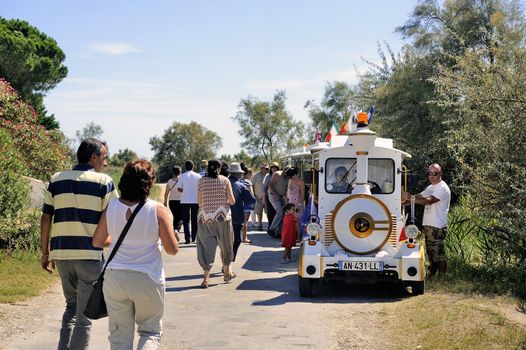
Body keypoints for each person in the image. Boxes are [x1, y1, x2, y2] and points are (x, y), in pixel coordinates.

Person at [40, 138, 119, 350]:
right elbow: (114, 217)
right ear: (93, 157)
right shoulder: (104, 182)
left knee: (71, 308)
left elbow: (46, 217)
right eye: (103, 157)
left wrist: (45, 252)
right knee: (84, 317)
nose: (105, 161)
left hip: (62, 255)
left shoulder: (56, 179)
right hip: (90, 257)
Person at [92, 160, 179, 349]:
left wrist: (118, 241)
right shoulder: (158, 210)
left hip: (115, 278)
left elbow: (98, 241)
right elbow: (172, 249)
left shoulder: (112, 206)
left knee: (119, 337)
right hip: (147, 277)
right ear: (149, 183)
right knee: (150, 332)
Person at [403, 163, 451, 277]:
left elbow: (429, 201)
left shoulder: (442, 188)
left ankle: (443, 277)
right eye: (429, 173)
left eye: (434, 173)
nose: (432, 176)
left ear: (440, 174)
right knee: (431, 252)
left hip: (437, 226)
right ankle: (432, 274)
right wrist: (403, 200)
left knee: (439, 253)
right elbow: (419, 197)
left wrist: (411, 198)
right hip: (429, 225)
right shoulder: (431, 187)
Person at [196, 159, 236, 288]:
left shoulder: (201, 181)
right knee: (226, 244)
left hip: (205, 218)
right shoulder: (225, 180)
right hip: (223, 217)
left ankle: (206, 279)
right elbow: (232, 201)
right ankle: (226, 273)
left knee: (206, 247)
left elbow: (199, 202)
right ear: (219, 168)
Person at [228, 162, 256, 261]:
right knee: (236, 240)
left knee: (225, 242)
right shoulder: (241, 186)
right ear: (238, 174)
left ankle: (226, 261)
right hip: (236, 217)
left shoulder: (222, 183)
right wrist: (252, 207)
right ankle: (229, 261)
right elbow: (251, 201)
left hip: (222, 216)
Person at [177, 160, 201, 244]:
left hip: (184, 200)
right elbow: (200, 188)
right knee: (194, 219)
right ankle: (194, 238)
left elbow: (179, 189)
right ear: (193, 166)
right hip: (195, 200)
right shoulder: (198, 176)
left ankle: (187, 239)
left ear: (185, 167)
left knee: (186, 220)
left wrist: (185, 190)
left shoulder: (182, 176)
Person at [268, 165, 290, 238]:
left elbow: (287, 188)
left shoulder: (288, 177)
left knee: (284, 212)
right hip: (273, 194)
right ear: (284, 170)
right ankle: (272, 228)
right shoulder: (277, 174)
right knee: (280, 211)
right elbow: (270, 185)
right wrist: (276, 194)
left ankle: (278, 231)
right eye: (286, 173)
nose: (287, 175)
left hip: (282, 196)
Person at [285, 166, 305, 240]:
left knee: (291, 221)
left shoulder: (290, 181)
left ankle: (294, 237)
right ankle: (298, 237)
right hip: (297, 203)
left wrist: (287, 202)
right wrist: (300, 204)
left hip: (291, 203)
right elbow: (302, 195)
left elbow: (288, 193)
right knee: (297, 221)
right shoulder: (301, 181)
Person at [164, 166, 183, 237]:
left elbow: (166, 193)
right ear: (180, 172)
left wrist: (165, 201)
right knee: (180, 217)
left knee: (175, 216)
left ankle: (175, 230)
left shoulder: (169, 181)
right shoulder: (182, 180)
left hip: (171, 201)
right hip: (181, 201)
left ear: (173, 172)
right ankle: (176, 229)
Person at [251, 163, 268, 231]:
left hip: (267, 197)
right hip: (258, 197)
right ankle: (260, 224)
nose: (262, 169)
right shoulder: (255, 176)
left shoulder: (268, 175)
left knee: (268, 212)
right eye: (261, 168)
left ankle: (269, 225)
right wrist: (254, 195)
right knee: (259, 211)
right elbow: (252, 186)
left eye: (264, 168)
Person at [263, 162, 279, 237]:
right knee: (270, 213)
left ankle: (276, 230)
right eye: (272, 167)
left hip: (279, 197)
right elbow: (264, 189)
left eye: (275, 167)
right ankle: (270, 230)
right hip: (269, 196)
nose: (274, 169)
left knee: (278, 213)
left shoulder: (280, 176)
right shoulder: (268, 177)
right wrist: (264, 200)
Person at [240, 166, 255, 243]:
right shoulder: (248, 182)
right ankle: (244, 238)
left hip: (239, 203)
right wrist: (253, 202)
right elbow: (251, 193)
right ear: (248, 174)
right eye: (251, 174)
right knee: (245, 221)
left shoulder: (239, 181)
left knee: (239, 221)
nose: (251, 175)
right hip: (246, 203)